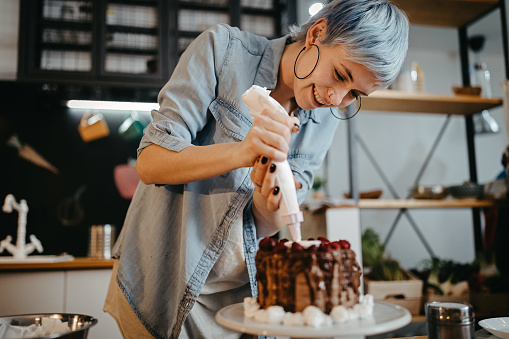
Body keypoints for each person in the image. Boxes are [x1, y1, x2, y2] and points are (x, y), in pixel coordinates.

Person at [103, 0, 409, 338]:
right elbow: (151, 162)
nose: (337, 98)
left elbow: (265, 225)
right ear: (317, 33)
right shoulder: (223, 50)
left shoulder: (324, 117)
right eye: (340, 75)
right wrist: (242, 151)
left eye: (355, 94)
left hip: (241, 302)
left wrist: (268, 199)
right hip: (161, 283)